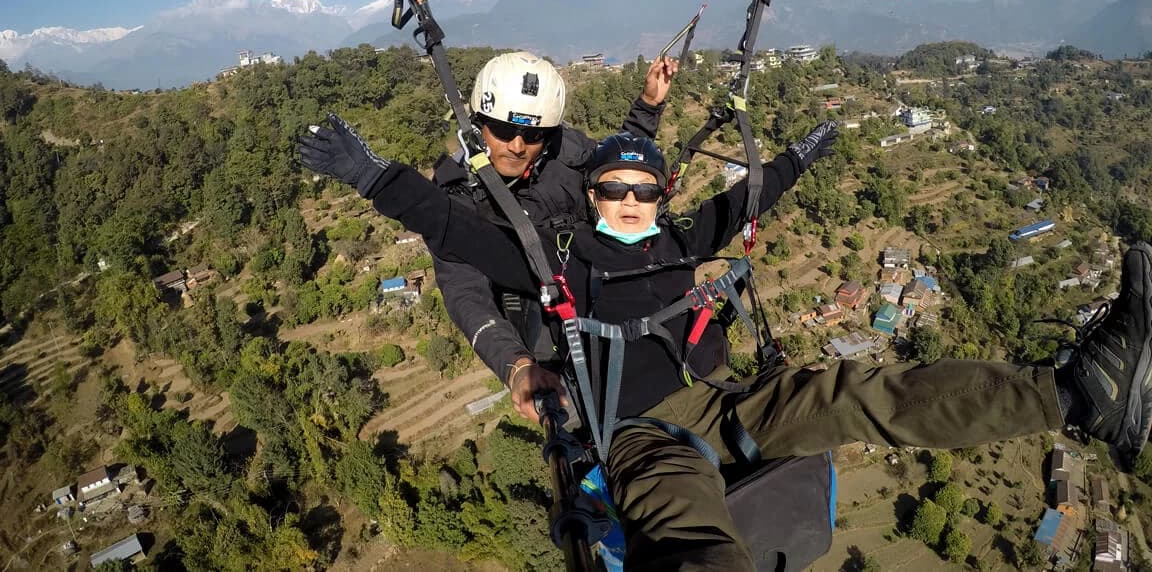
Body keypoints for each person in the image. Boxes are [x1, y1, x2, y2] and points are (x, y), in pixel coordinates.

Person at [298, 117, 1152, 571]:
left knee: (862, 393)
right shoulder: (556, 261)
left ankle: (1076, 394)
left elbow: (749, 198)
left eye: (643, 190)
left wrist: (803, 156)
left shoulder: (679, 239)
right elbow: (453, 229)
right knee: (692, 543)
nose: (629, 203)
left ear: (659, 195)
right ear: (592, 195)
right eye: (614, 189)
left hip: (729, 404)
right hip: (641, 438)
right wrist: (372, 175)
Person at [429, 50, 680, 421]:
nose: (517, 145)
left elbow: (616, 170)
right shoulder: (459, 195)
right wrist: (516, 366)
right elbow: (465, 291)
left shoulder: (564, 150)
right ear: (478, 123)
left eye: (532, 134)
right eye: (503, 130)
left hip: (600, 279)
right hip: (541, 314)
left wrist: (648, 105)